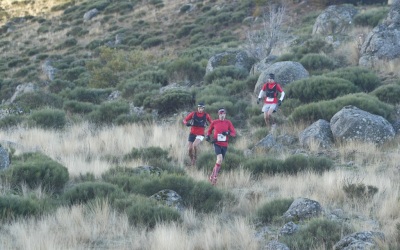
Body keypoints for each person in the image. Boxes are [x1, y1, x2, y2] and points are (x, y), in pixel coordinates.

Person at [205, 108, 236, 185]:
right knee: (219, 159)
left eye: (224, 114)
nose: (222, 116)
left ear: (225, 115)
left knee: (220, 161)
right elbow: (209, 131)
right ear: (218, 115)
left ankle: (212, 176)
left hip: (224, 144)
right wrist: (208, 136)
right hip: (217, 143)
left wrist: (228, 133)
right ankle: (215, 177)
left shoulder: (228, 122)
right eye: (221, 114)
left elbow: (233, 133)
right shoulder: (215, 122)